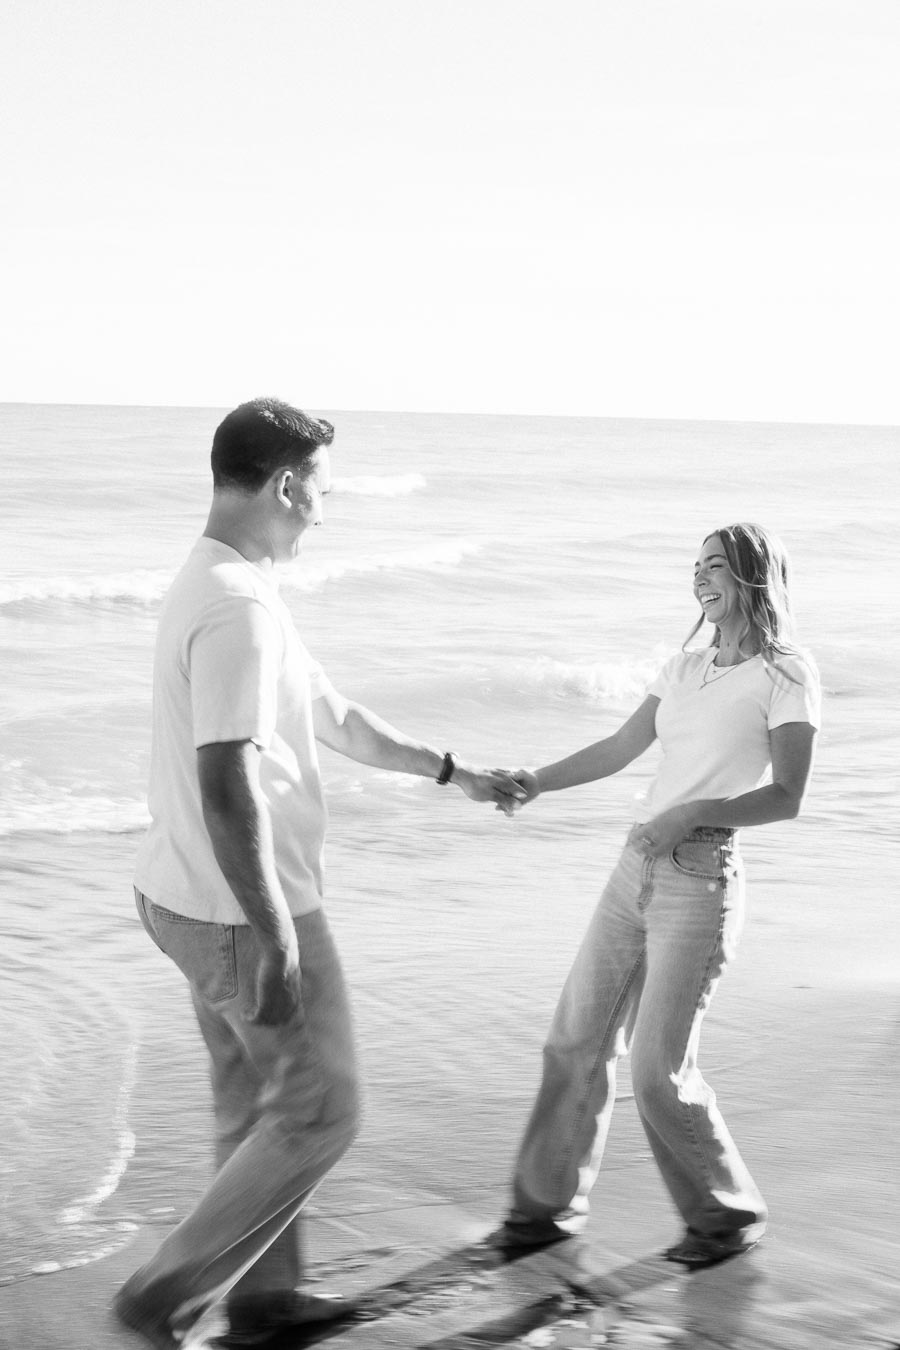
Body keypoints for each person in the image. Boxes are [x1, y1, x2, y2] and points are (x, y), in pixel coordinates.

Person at [115, 397, 524, 1349]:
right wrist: (273, 931)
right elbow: (228, 781)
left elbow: (332, 717)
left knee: (258, 1106)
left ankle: (264, 1302)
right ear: (288, 486)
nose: (326, 514)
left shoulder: (219, 581)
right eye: (322, 494)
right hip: (234, 907)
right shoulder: (235, 606)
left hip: (178, 893)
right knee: (323, 1111)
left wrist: (454, 772)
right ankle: (163, 1293)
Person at [500, 522, 820, 1268]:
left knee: (656, 1072)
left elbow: (787, 796)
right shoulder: (683, 666)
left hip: (701, 879)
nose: (701, 579)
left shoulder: (786, 671)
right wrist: (536, 780)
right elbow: (619, 749)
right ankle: (543, 1214)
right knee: (573, 1040)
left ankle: (726, 1215)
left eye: (716, 567)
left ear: (752, 576)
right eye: (696, 567)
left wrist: (691, 813)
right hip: (632, 870)